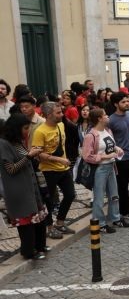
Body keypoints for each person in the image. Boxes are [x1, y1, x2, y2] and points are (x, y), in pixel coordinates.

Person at [0, 114, 48, 259]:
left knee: (38, 217)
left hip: (30, 186)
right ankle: (28, 251)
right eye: (26, 128)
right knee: (26, 222)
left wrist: (33, 154)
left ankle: (40, 246)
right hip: (18, 190)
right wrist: (29, 156)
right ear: (16, 128)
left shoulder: (18, 141)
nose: (28, 131)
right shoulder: (3, 144)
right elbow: (11, 169)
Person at [31, 102, 76, 238]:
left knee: (70, 195)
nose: (62, 114)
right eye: (58, 113)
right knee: (49, 201)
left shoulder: (61, 125)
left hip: (63, 169)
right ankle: (49, 227)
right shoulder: (40, 131)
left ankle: (60, 223)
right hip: (48, 171)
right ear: (49, 115)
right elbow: (38, 154)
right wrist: (59, 159)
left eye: (61, 111)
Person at [82, 108, 129, 234]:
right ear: (99, 118)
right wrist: (106, 157)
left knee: (114, 195)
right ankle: (100, 223)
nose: (108, 116)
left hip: (111, 167)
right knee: (98, 198)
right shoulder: (90, 135)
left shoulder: (108, 130)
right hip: (100, 169)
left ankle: (115, 218)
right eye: (105, 115)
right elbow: (87, 156)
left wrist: (117, 148)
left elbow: (111, 145)